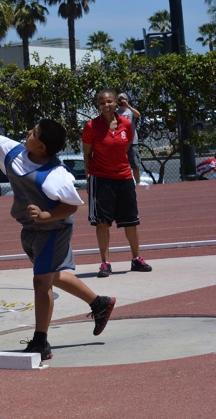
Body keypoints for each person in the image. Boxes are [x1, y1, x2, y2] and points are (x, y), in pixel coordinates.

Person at [0, 106, 116, 361]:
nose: (28, 132)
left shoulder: (57, 176)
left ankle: (40, 342)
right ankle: (99, 303)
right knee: (52, 275)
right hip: (31, 228)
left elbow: (72, 205)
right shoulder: (13, 152)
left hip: (54, 229)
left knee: (41, 281)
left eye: (33, 132)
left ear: (41, 147)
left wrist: (47, 215)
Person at [82, 89, 153, 278]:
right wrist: (89, 179)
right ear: (98, 105)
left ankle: (136, 259)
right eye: (102, 103)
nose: (106, 105)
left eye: (109, 102)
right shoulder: (91, 126)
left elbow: (126, 147)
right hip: (100, 178)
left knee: (131, 221)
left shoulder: (126, 124)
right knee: (102, 223)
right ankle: (105, 263)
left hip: (124, 177)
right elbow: (87, 155)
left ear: (116, 103)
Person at [116, 92, 145, 185]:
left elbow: (138, 115)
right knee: (121, 164)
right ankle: (124, 183)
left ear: (127, 100)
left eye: (123, 99)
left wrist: (128, 106)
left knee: (135, 164)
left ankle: (138, 183)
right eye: (119, 100)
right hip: (120, 142)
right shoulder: (116, 113)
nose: (121, 102)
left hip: (132, 142)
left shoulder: (130, 112)